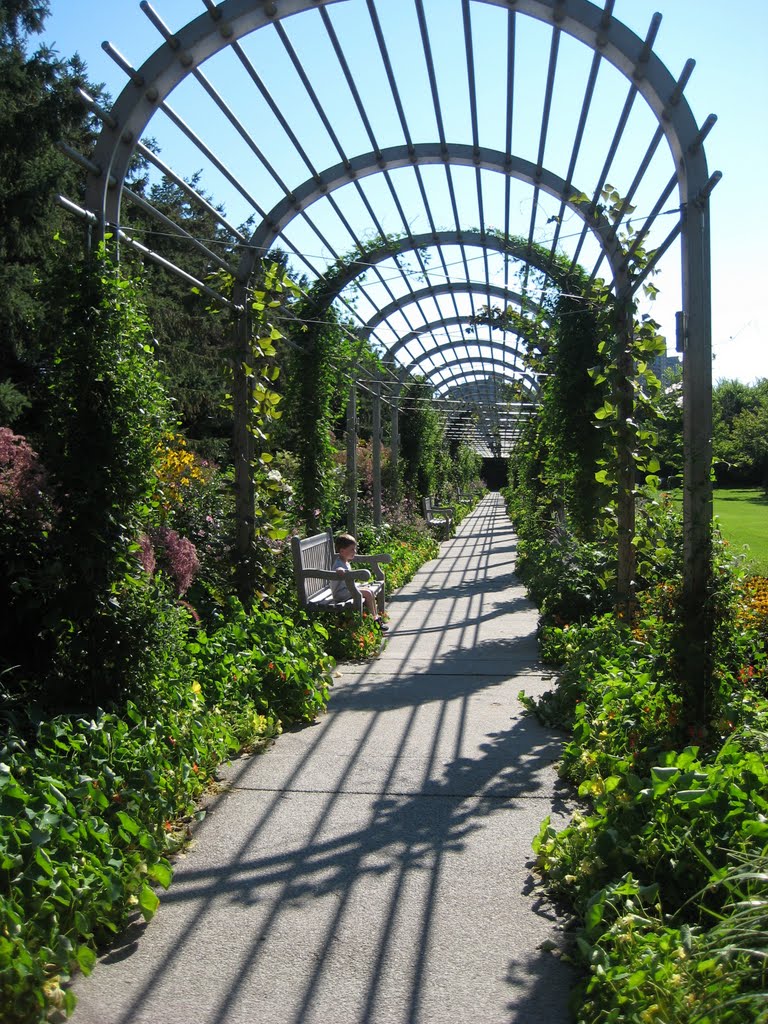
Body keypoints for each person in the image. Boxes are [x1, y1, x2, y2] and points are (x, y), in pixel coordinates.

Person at [332, 533, 388, 631]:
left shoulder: (345, 561)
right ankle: (375, 618)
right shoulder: (339, 563)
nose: (355, 551)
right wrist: (340, 570)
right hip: (340, 594)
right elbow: (338, 569)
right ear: (342, 551)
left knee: (369, 592)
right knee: (367, 593)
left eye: (355, 549)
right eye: (352, 549)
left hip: (347, 590)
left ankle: (376, 617)